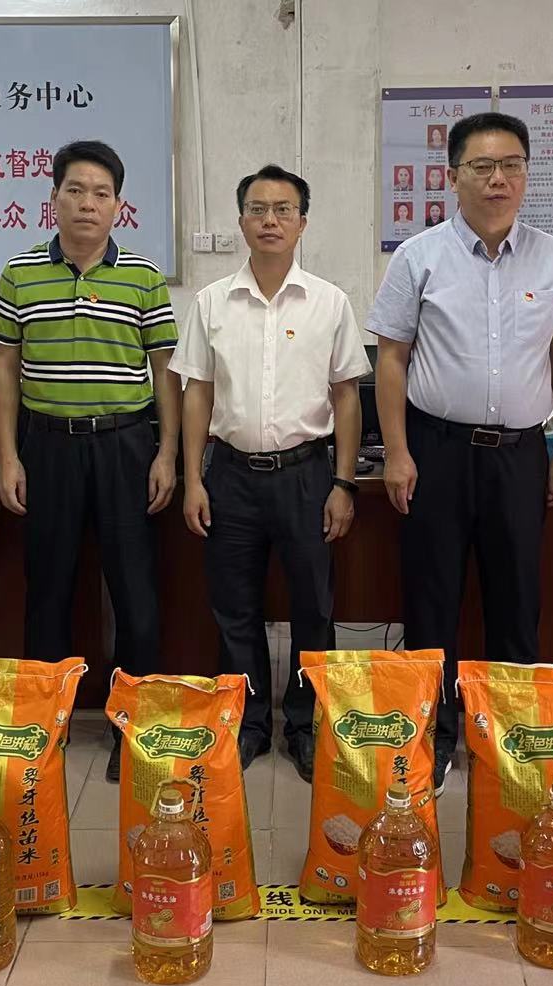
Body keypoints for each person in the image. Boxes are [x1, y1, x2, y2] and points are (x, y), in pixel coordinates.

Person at [369, 112, 553, 792]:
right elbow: (391, 358)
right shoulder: (419, 256)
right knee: (431, 600)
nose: (499, 179)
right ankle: (432, 737)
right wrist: (397, 452)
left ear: (526, 174)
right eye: (483, 166)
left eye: (512, 165)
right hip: (436, 449)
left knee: (517, 601)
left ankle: (510, 740)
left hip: (520, 455)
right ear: (453, 175)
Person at [173, 165, 371, 780]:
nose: (270, 220)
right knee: (234, 608)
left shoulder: (329, 302)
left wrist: (343, 483)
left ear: (302, 223)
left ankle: (307, 725)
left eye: (283, 210)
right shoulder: (211, 302)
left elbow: (346, 396)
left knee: (314, 607)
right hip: (230, 475)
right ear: (241, 221)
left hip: (306, 474)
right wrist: (193, 479)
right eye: (257, 209)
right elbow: (197, 393)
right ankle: (249, 723)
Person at [0, 140, 179, 782]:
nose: (87, 204)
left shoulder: (144, 277)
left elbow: (166, 371)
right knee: (47, 588)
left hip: (126, 446)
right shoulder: (20, 274)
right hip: (47, 446)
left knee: (135, 591)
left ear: (118, 206)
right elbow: (5, 369)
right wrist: (7, 458)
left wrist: (167, 453)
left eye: (101, 193)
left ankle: (135, 730)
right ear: (54, 198)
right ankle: (45, 729)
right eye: (75, 190)